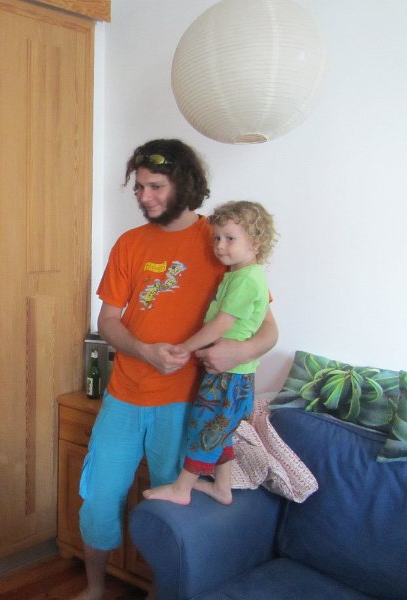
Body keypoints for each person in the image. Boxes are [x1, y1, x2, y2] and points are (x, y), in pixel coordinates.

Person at [74, 140, 278, 600]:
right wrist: (143, 350)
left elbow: (268, 330)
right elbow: (108, 320)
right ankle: (94, 588)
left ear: (183, 184)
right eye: (139, 187)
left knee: (172, 511)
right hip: (124, 395)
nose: (144, 196)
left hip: (186, 402)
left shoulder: (221, 239)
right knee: (99, 498)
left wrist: (236, 352)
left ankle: (161, 592)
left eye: (156, 186)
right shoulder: (130, 243)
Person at [143, 200, 278, 506]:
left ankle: (182, 488)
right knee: (221, 430)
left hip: (228, 376)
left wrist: (185, 347)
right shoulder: (240, 275)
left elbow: (221, 324)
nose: (219, 245)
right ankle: (222, 487)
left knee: (204, 427)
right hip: (232, 375)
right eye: (217, 237)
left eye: (230, 238)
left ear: (255, 242)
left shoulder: (246, 279)